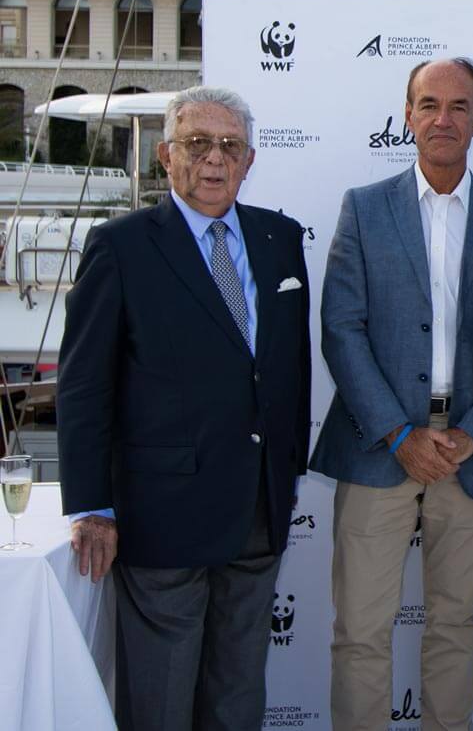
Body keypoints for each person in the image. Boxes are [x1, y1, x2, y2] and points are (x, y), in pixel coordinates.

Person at [57, 86, 311, 731]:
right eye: (197, 144)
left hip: (258, 508)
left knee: (237, 691)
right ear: (165, 157)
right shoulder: (120, 246)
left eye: (229, 146)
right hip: (160, 514)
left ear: (250, 160)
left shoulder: (280, 239)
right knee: (162, 696)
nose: (214, 160)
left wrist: (288, 465)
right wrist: (91, 504)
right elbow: (85, 386)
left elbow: (287, 362)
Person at [309, 57, 473, 731]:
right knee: (361, 632)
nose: (443, 119)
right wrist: (398, 434)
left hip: (470, 453)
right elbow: (341, 328)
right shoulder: (364, 209)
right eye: (428, 104)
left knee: (455, 627)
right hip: (380, 447)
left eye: (459, 106)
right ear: (407, 115)